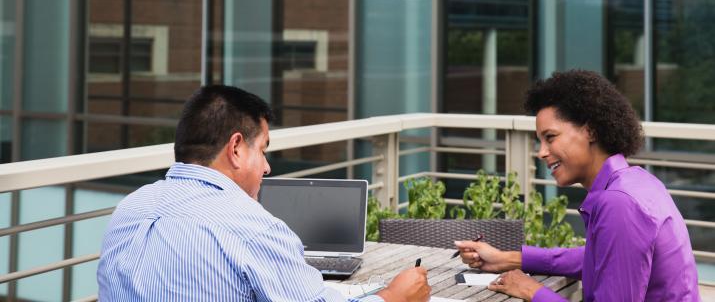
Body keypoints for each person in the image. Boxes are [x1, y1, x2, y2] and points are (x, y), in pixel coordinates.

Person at [97, 85, 430, 302]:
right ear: (237, 148)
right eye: (264, 150)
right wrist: (394, 297)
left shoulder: (131, 208)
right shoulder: (252, 228)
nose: (267, 167)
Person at [455, 70, 701, 301]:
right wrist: (506, 258)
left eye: (550, 137)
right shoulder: (636, 181)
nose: (541, 152)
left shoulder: (619, 202)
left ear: (591, 131)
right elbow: (598, 259)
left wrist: (533, 291)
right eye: (539, 141)